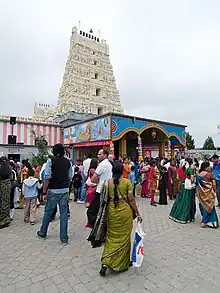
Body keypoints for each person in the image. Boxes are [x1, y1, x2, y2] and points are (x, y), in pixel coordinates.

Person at [88, 162, 142, 276]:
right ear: (123, 171)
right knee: (125, 237)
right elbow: (131, 200)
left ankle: (105, 262)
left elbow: (104, 201)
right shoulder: (127, 182)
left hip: (112, 213)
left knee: (111, 237)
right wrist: (138, 213)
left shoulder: (107, 183)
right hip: (125, 213)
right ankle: (122, 263)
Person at [37, 144, 73, 245]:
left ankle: (43, 232)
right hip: (64, 190)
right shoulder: (68, 162)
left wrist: (44, 192)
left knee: (48, 212)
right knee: (64, 214)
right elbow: (70, 176)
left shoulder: (50, 160)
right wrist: (66, 187)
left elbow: (47, 177)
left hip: (53, 190)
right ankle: (64, 238)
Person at [87, 149, 112, 227]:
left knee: (91, 210)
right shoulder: (109, 164)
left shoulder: (101, 165)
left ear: (105, 155)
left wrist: (97, 181)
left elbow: (93, 178)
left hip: (100, 189)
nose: (98, 156)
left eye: (99, 154)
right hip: (107, 188)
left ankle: (95, 225)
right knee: (102, 208)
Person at [169, 158, 196, 224]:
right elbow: (192, 180)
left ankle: (175, 215)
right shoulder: (190, 169)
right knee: (187, 202)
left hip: (181, 186)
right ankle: (185, 217)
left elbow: (178, 178)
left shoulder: (179, 169)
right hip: (188, 187)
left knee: (180, 200)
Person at [197, 161, 219, 228]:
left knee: (203, 207)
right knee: (210, 207)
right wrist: (214, 190)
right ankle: (209, 222)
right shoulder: (209, 174)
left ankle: (204, 221)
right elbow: (215, 181)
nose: (210, 167)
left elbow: (197, 184)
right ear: (205, 167)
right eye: (208, 166)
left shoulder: (199, 174)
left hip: (201, 194)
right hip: (209, 194)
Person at [0, 157, 12, 229]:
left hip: (1, 184)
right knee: (6, 202)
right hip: (7, 184)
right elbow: (11, 177)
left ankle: (1, 220)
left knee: (1, 203)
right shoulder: (9, 168)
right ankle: (6, 219)